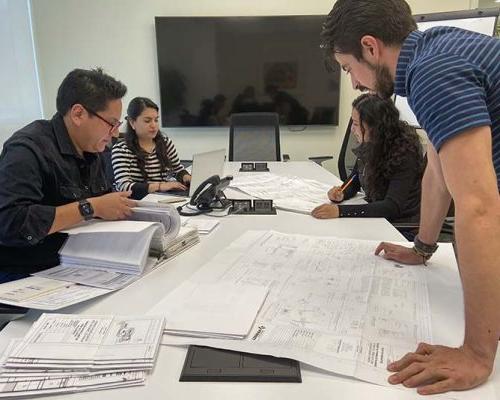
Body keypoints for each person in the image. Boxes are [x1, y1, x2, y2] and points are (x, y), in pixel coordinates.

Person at [321, 0, 500, 394]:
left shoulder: (432, 73)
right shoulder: (437, 49)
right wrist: (422, 248)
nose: (353, 83)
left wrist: (477, 353)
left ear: (371, 47)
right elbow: (437, 171)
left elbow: (479, 206)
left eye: (349, 68)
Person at [0, 68, 135, 280]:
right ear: (78, 114)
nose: (116, 133)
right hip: (28, 273)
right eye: (111, 123)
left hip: (83, 263)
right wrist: (90, 207)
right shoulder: (27, 149)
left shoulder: (96, 150)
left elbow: (104, 207)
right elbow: (11, 224)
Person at [312, 94, 423, 227]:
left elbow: (392, 206)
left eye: (356, 124)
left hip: (399, 226)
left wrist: (340, 211)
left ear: (375, 127)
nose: (352, 129)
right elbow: (355, 179)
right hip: (375, 218)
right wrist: (342, 193)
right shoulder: (372, 142)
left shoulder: (405, 153)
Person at [112, 97, 191, 200]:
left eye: (156, 120)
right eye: (147, 121)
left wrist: (187, 177)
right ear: (132, 122)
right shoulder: (121, 150)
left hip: (165, 198)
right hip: (139, 202)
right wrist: (159, 186)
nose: (154, 125)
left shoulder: (166, 143)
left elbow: (177, 169)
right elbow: (123, 186)